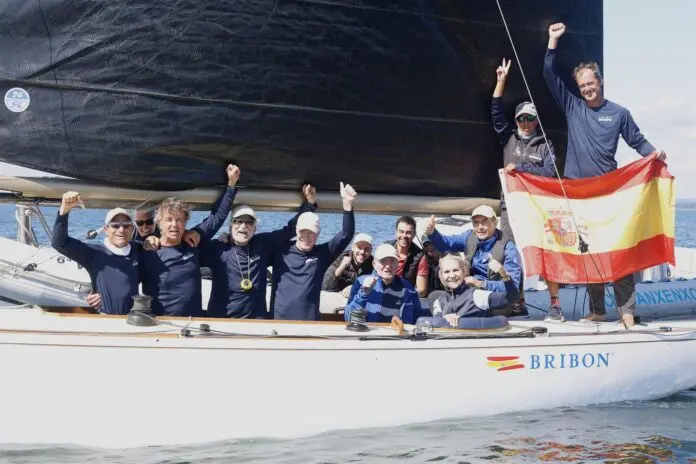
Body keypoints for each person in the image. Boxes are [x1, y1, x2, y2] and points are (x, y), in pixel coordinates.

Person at [544, 23, 667, 327]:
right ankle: (597, 310)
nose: (587, 88)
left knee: (618, 252)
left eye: (591, 83)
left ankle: (627, 313)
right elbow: (549, 75)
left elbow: (638, 141)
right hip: (579, 195)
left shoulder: (619, 113)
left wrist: (655, 155)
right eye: (582, 85)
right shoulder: (573, 107)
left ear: (600, 81)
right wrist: (552, 42)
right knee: (590, 253)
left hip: (609, 194)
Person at [492, 58, 557, 311]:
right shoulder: (509, 139)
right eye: (522, 119)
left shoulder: (545, 144)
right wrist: (500, 82)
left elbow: (549, 173)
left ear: (536, 120)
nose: (526, 123)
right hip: (510, 207)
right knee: (511, 253)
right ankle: (516, 300)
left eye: (530, 118)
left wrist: (520, 168)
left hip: (538, 208)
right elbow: (496, 112)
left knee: (543, 251)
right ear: (517, 120)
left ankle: (555, 303)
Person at [198, 185, 318, 319]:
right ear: (230, 226)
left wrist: (310, 204)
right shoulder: (217, 248)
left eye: (249, 222)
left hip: (257, 321)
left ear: (255, 229)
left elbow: (289, 231)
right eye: (238, 221)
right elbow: (198, 239)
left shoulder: (263, 244)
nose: (243, 226)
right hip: (222, 320)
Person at [139, 164, 239, 317]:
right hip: (159, 323)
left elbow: (217, 217)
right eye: (169, 219)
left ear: (185, 222)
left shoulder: (193, 243)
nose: (174, 224)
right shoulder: (148, 249)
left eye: (179, 220)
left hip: (193, 323)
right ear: (159, 223)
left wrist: (231, 185)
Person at [270, 182, 357, 321]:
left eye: (311, 232)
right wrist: (309, 203)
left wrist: (347, 205)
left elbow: (346, 234)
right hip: (278, 323)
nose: (306, 236)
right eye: (303, 231)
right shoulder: (280, 251)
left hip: (310, 325)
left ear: (318, 234)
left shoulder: (322, 254)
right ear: (296, 231)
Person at [51, 193, 140, 315]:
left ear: (132, 229)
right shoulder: (94, 253)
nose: (121, 230)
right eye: (115, 225)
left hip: (133, 318)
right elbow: (59, 243)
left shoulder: (139, 249)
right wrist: (64, 210)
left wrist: (152, 239)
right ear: (106, 230)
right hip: (105, 317)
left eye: (126, 225)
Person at [423, 205, 522, 301]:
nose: (480, 227)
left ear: (495, 222)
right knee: (434, 296)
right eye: (476, 223)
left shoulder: (508, 248)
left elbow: (514, 287)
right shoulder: (469, 236)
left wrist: (480, 284)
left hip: (494, 298)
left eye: (485, 222)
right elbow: (446, 244)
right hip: (469, 291)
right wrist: (432, 233)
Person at [430, 253, 520, 328]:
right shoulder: (439, 301)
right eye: (447, 272)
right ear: (441, 275)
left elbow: (512, 299)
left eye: (455, 270)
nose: (452, 275)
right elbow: (437, 323)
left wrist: (504, 275)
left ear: (464, 272)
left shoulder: (476, 295)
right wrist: (444, 319)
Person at [344, 243, 422, 325]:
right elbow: (348, 317)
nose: (388, 266)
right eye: (383, 261)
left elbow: (417, 317)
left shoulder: (408, 289)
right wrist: (363, 293)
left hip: (397, 332)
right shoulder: (361, 282)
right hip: (368, 331)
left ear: (397, 264)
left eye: (392, 261)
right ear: (374, 264)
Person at [322, 232, 374, 297]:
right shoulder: (339, 257)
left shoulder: (372, 262)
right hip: (333, 294)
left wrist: (354, 287)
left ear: (371, 251)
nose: (362, 252)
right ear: (353, 248)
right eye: (359, 247)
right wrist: (341, 267)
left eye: (366, 249)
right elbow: (326, 286)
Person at [385, 216, 422, 286]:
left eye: (409, 232)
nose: (404, 235)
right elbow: (376, 273)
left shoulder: (420, 256)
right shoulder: (385, 248)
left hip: (407, 291)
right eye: (401, 231)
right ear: (396, 232)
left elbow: (421, 289)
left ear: (414, 234)